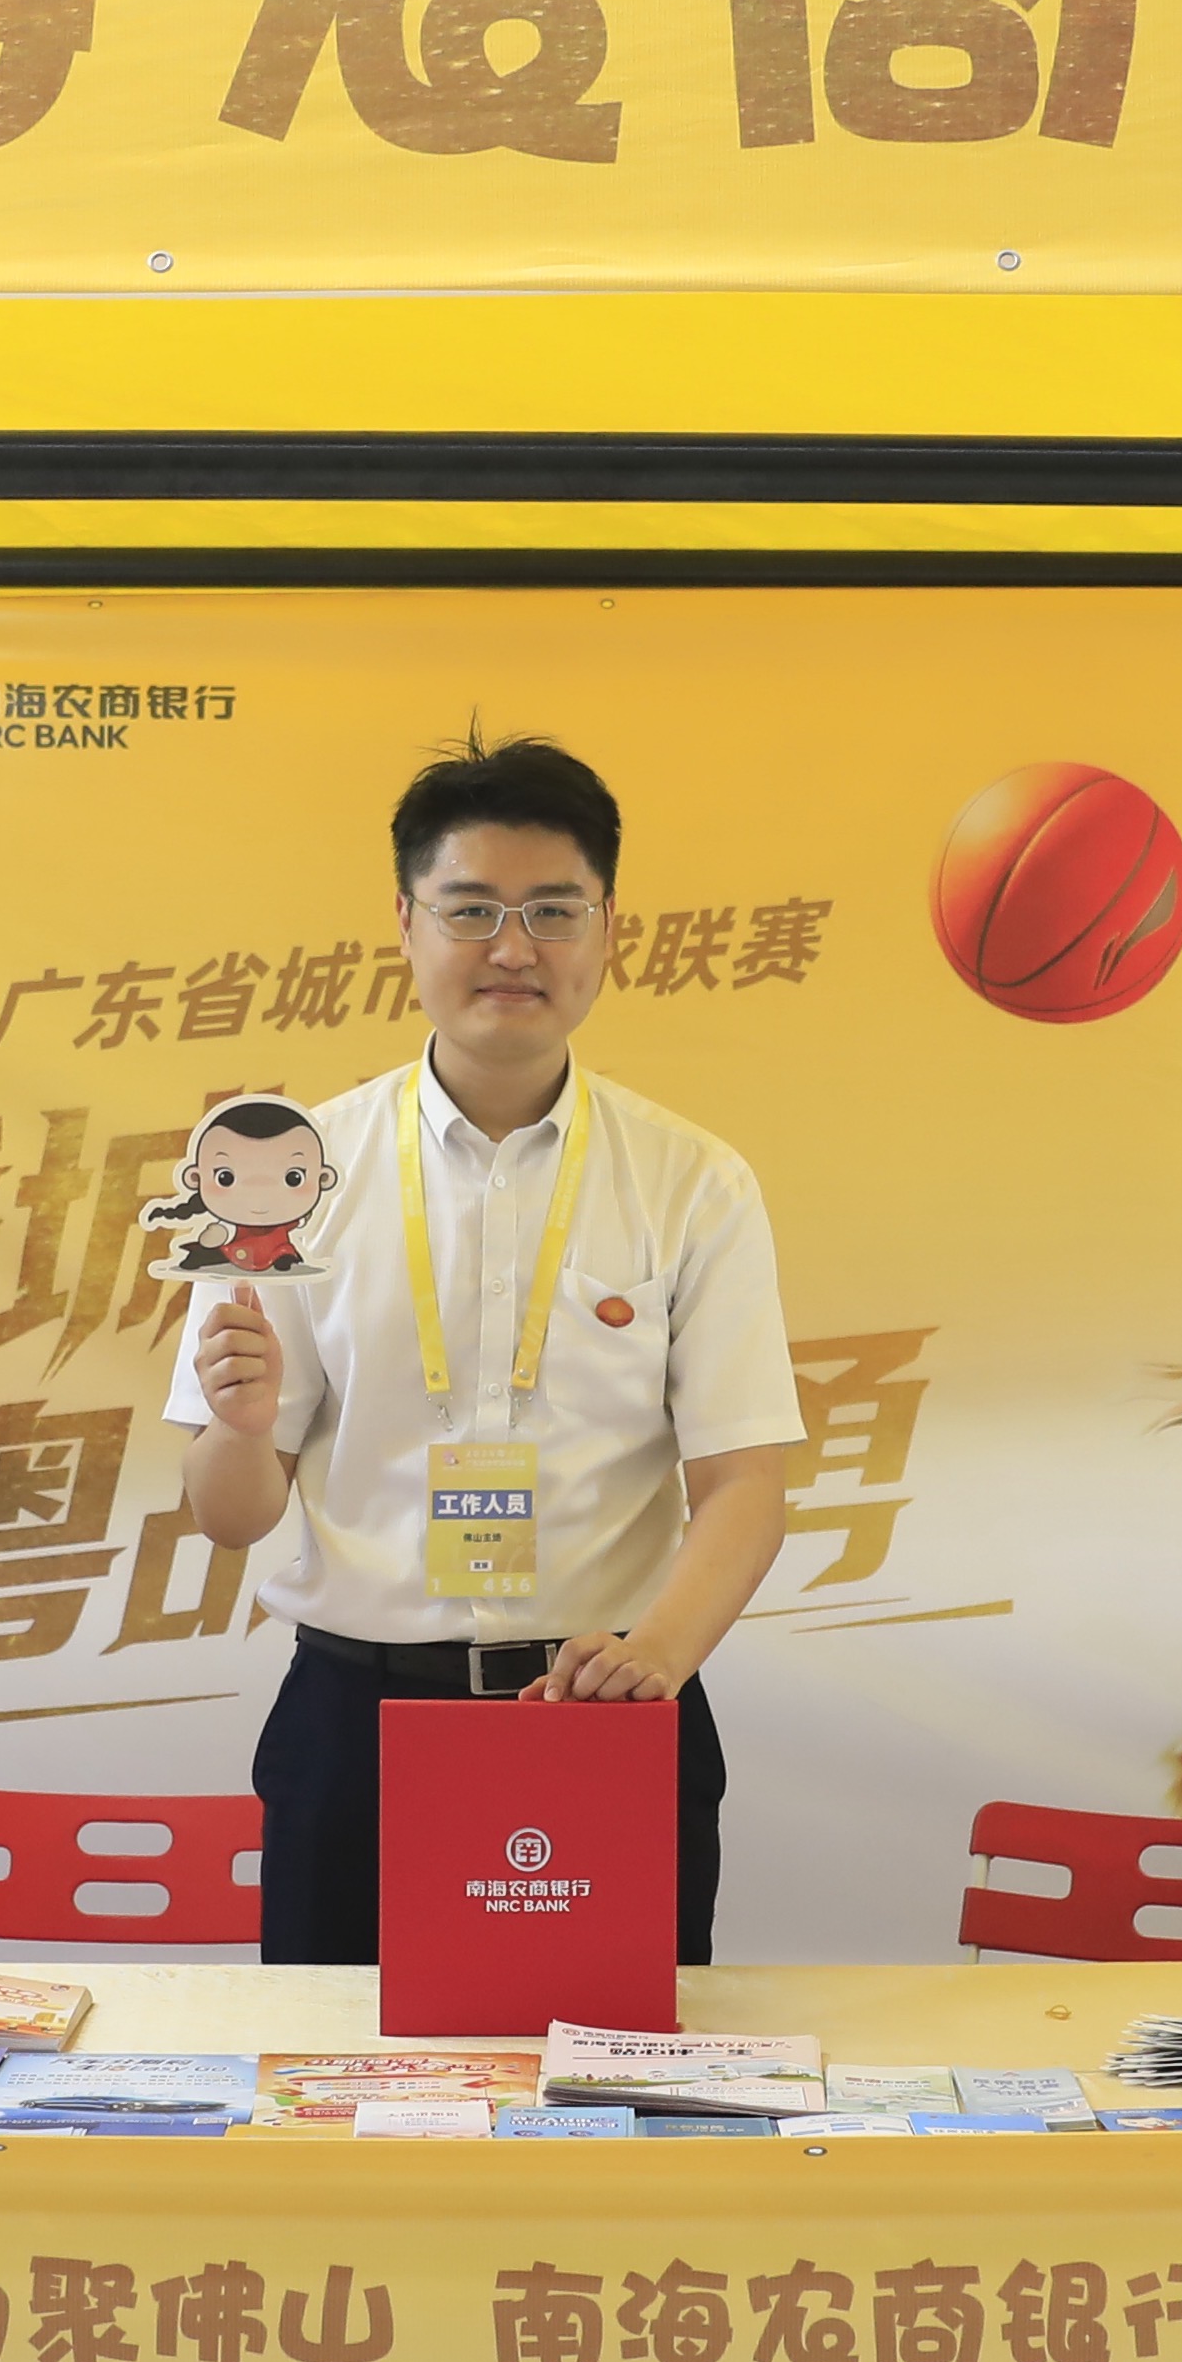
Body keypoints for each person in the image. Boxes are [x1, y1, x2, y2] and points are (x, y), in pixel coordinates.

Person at [174, 738, 801, 1966]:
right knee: (339, 2070)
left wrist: (654, 1660)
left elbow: (745, 1483)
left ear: (608, 930)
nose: (513, 948)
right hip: (356, 1723)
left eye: (552, 910)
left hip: (603, 1710)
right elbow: (229, 1514)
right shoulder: (287, 1179)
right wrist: (241, 1429)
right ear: (404, 924)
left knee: (611, 2069)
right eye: (471, 909)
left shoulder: (693, 1181)